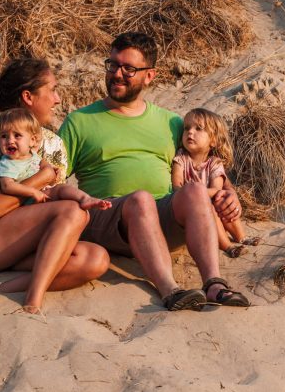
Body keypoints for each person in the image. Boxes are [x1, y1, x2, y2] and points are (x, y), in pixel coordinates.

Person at [59, 32, 250, 310]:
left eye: (129, 69)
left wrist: (230, 193)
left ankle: (213, 283)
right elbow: (51, 176)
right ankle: (170, 290)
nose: (117, 74)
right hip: (106, 217)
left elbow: (204, 161)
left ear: (149, 76)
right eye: (112, 65)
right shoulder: (79, 122)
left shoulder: (171, 122)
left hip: (160, 218)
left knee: (194, 190)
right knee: (140, 199)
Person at [0, 58, 111, 314]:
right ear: (28, 97)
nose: (57, 99)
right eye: (52, 90)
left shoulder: (54, 145)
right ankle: (34, 298)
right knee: (73, 211)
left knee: (95, 259)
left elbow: (51, 207)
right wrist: (42, 178)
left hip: (20, 237)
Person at [171, 108, 262, 258]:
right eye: (187, 128)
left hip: (213, 203)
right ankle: (228, 247)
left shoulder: (214, 163)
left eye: (198, 128)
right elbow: (177, 185)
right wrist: (192, 195)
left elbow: (216, 189)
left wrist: (199, 193)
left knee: (222, 200)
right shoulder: (181, 159)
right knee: (211, 210)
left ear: (213, 140)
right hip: (193, 208)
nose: (190, 132)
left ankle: (242, 237)